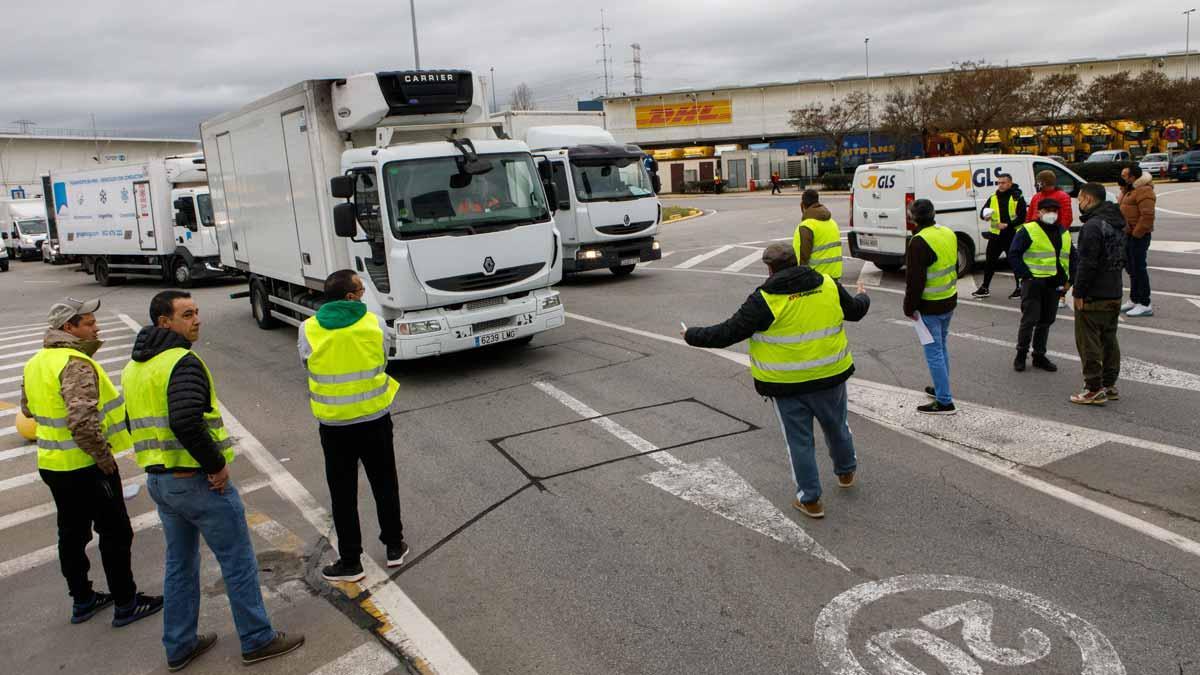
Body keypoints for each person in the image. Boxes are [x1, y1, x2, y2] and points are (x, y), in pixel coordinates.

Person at [123, 291, 304, 671]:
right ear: (164, 322)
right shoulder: (181, 362)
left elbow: (132, 423)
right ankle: (257, 639)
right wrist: (216, 465)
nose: (197, 320)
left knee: (179, 565)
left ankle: (179, 645)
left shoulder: (135, 367)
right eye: (187, 314)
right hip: (197, 483)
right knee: (238, 562)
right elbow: (186, 420)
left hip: (160, 481)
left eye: (197, 312)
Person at [682, 243, 870, 519]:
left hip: (788, 386)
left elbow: (726, 333)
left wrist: (691, 335)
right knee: (837, 426)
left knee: (800, 442)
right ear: (796, 261)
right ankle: (846, 472)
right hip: (831, 377)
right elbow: (855, 310)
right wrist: (864, 296)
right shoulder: (828, 284)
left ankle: (811, 500)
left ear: (769, 268)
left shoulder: (765, 299)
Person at [20, 298, 163, 626]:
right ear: (68, 328)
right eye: (88, 322)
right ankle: (126, 603)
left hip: (53, 465)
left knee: (71, 533)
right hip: (86, 467)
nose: (95, 327)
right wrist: (103, 457)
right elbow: (82, 420)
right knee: (115, 533)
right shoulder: (74, 362)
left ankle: (82, 600)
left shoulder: (36, 362)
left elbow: (28, 409)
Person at [298, 271, 406, 582]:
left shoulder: (308, 329)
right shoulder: (373, 323)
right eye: (360, 289)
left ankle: (350, 561)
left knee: (342, 493)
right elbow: (383, 360)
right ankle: (394, 546)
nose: (363, 294)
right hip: (374, 419)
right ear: (349, 297)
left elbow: (306, 364)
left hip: (333, 426)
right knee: (384, 483)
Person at [1071, 182, 1127, 405]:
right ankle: (1109, 384)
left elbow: (1087, 263)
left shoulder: (1092, 227)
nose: (1078, 203)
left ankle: (1093, 388)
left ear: (1088, 199)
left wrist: (1079, 291)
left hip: (1094, 293)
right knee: (1109, 339)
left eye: (1080, 199)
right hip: (1114, 289)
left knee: (1089, 342)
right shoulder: (1116, 222)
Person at [902, 199, 958, 415]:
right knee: (942, 346)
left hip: (930, 306)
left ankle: (945, 401)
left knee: (933, 351)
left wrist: (909, 308)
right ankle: (940, 388)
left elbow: (915, 281)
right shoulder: (947, 232)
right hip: (949, 299)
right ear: (934, 213)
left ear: (913, 218)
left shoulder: (919, 242)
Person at [1009, 200, 1075, 373]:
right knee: (1029, 320)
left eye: (1055, 210)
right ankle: (1021, 355)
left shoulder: (1063, 232)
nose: (1052, 213)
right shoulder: (1028, 230)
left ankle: (1039, 355)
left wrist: (1071, 279)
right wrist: (1026, 275)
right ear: (1038, 212)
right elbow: (1014, 254)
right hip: (1034, 284)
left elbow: (1072, 257)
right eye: (1047, 210)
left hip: (1054, 284)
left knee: (1046, 321)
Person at [974, 172, 1027, 299]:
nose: (1000, 185)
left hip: (1012, 235)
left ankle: (1020, 287)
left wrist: (1007, 225)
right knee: (990, 262)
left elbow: (1022, 217)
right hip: (996, 235)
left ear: (1010, 183)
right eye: (999, 183)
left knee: (1015, 262)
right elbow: (983, 212)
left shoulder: (1017, 198)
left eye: (1003, 183)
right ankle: (984, 287)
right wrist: (985, 216)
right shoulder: (993, 197)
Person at [1118, 165, 1156, 317]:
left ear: (1133, 177)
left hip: (1138, 236)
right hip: (1129, 235)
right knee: (1132, 269)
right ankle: (1134, 299)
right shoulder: (1130, 190)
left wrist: (1136, 234)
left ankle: (1145, 303)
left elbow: (1147, 216)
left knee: (1139, 268)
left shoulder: (1144, 190)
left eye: (1124, 175)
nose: (1122, 178)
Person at [792, 189, 843, 280]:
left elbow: (802, 259)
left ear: (802, 205)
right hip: (834, 276)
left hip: (815, 279)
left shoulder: (806, 227)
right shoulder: (832, 222)